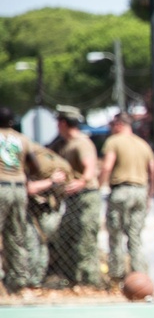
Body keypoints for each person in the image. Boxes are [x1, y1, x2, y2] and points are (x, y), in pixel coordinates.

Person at [98, 112, 154, 282]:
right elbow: (152, 171)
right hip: (140, 191)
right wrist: (150, 195)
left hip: (121, 191)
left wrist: (99, 185)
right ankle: (140, 277)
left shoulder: (113, 141)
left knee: (115, 235)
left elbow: (107, 166)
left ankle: (117, 276)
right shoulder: (143, 144)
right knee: (135, 237)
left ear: (119, 125)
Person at [50, 105, 102, 286]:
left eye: (58, 122)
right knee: (64, 237)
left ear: (63, 123)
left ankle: (90, 282)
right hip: (71, 199)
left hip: (86, 197)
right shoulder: (62, 144)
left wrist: (81, 182)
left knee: (85, 240)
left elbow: (90, 168)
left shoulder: (81, 143)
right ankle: (71, 279)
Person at [0, 107, 40, 292]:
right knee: (16, 234)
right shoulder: (22, 139)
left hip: (1, 186)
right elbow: (35, 166)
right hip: (18, 188)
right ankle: (19, 280)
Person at [24, 142, 69, 287]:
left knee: (35, 243)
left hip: (43, 209)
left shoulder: (32, 165)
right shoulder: (54, 163)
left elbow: (30, 189)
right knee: (40, 244)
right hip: (46, 208)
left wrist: (50, 181)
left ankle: (32, 279)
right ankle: (36, 278)